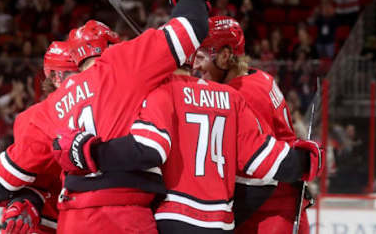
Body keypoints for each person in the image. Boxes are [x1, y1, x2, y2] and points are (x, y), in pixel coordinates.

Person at [0, 0, 215, 234]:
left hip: (73, 220)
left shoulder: (48, 108)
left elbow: (1, 182)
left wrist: (11, 195)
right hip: (127, 215)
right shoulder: (122, 64)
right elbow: (192, 27)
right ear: (112, 47)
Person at [55, 69, 324, 233]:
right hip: (219, 224)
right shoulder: (231, 97)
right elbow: (267, 164)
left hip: (172, 220)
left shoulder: (162, 92)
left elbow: (147, 149)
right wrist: (308, 158)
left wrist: (89, 151)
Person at [192, 16, 313, 234]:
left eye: (200, 57)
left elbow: (258, 170)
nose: (195, 65)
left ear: (225, 56)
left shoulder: (241, 94)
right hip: (276, 205)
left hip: (270, 212)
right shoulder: (257, 77)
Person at [0, 40, 80, 233]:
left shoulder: (36, 116)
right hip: (63, 220)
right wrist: (23, 201)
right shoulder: (35, 117)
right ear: (56, 77)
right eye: (77, 72)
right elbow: (37, 181)